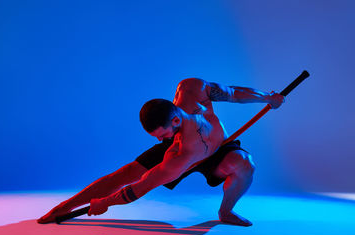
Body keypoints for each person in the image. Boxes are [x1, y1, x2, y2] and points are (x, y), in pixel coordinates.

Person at [37, 78, 285, 226]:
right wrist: (105, 202)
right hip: (189, 154)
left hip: (218, 149)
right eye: (157, 138)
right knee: (125, 174)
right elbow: (141, 186)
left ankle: (226, 211)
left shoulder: (192, 89)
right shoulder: (177, 154)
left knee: (245, 164)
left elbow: (232, 93)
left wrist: (267, 97)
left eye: (162, 135)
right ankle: (65, 206)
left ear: (175, 121)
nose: (162, 139)